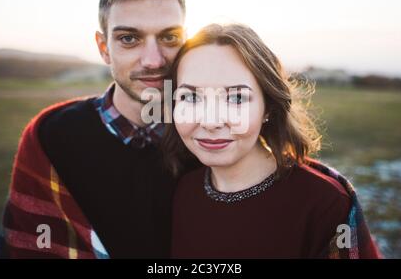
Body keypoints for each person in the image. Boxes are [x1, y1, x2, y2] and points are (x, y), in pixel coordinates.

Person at [0, 0, 199, 258]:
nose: (154, 60)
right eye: (129, 38)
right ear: (104, 48)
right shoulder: (50, 136)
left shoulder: (213, 137)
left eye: (169, 37)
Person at [163, 23, 382, 258]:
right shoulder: (183, 190)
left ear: (268, 106)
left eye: (236, 98)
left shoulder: (325, 204)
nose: (210, 121)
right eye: (191, 97)